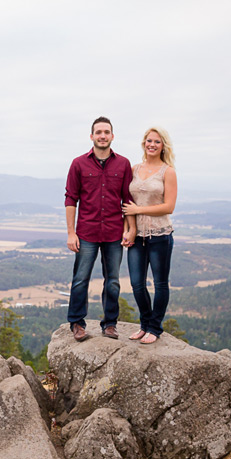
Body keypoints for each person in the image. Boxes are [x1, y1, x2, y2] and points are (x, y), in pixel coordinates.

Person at [65, 116, 136, 341]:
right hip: (86, 232)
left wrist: (129, 229)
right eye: (99, 132)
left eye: (106, 132)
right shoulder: (78, 163)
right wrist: (70, 233)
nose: (103, 136)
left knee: (113, 280)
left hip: (114, 233)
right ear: (92, 136)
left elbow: (127, 200)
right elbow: (70, 199)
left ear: (112, 136)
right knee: (80, 279)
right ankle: (77, 323)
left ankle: (110, 324)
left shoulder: (123, 164)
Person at [122, 127, 178, 345]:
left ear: (163, 145)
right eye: (148, 140)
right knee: (136, 283)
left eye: (156, 141)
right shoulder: (134, 169)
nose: (152, 144)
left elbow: (169, 206)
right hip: (137, 235)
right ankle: (144, 324)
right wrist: (129, 227)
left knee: (160, 283)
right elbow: (126, 203)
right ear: (143, 143)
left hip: (160, 235)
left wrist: (139, 211)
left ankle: (155, 328)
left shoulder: (168, 172)